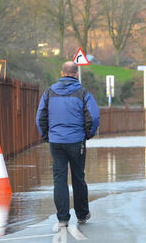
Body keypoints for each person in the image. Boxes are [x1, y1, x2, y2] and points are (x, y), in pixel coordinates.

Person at [36, 61, 100, 228]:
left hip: (56, 141)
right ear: (76, 74)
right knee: (78, 177)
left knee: (59, 179)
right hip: (76, 141)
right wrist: (87, 134)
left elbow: (40, 117)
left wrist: (46, 135)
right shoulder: (83, 93)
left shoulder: (49, 93)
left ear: (62, 73)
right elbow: (93, 117)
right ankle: (82, 214)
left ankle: (63, 218)